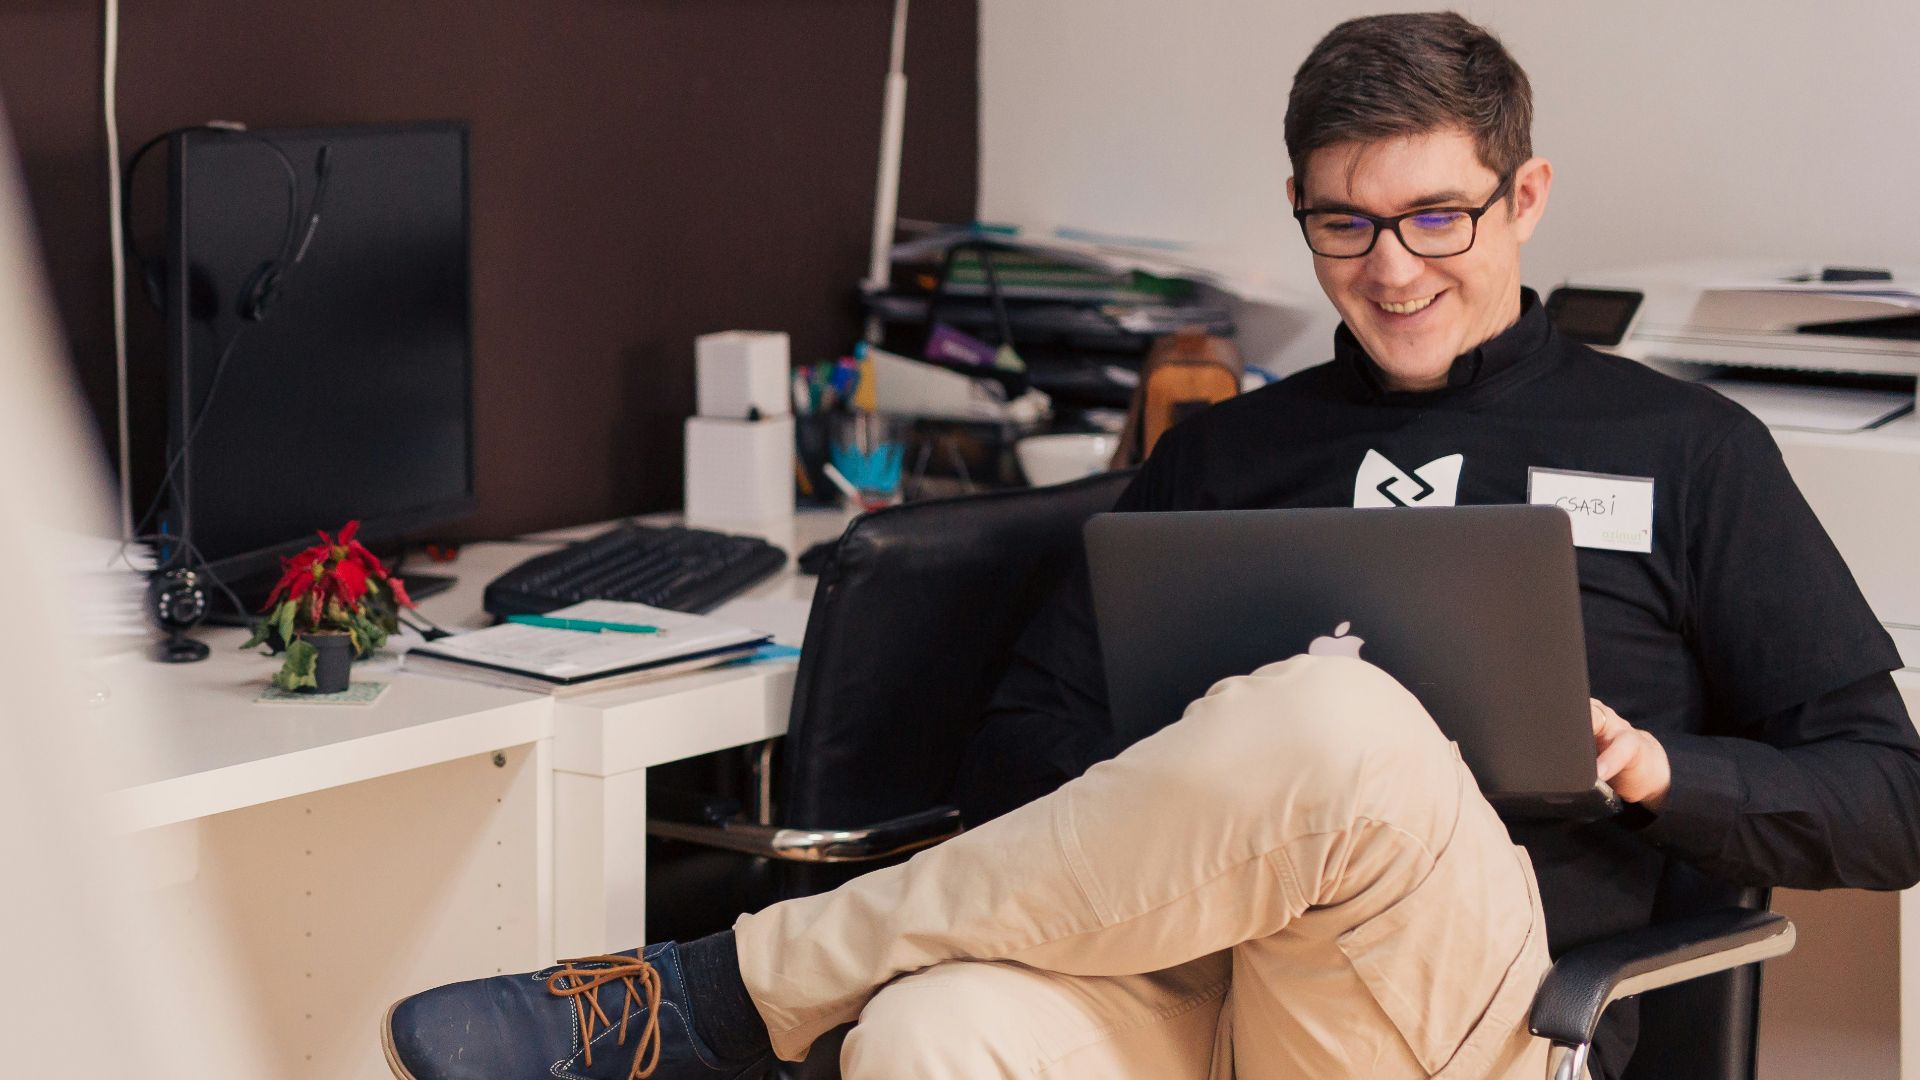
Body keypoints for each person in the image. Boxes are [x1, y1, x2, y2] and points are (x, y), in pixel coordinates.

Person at [382, 12, 1920, 1080]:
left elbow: (1889, 799)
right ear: (1303, 217)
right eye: (1344, 227)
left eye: (1437, 218)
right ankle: (755, 996)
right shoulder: (1226, 451)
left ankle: (726, 989)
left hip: (1486, 1018)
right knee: (930, 1036)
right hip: (1191, 992)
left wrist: (1654, 770)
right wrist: (1207, 767)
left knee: (1341, 716)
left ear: (1523, 198)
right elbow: (1019, 750)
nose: (1390, 273)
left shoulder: (1690, 451)